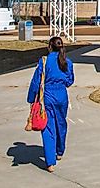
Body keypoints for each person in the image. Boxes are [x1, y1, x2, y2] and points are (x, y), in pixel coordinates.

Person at [27, 37, 75, 172]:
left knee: (48, 127)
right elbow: (70, 81)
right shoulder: (67, 62)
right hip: (61, 95)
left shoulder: (44, 61)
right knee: (61, 123)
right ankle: (60, 150)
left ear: (49, 46)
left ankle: (50, 162)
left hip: (48, 96)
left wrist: (31, 98)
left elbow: (36, 81)